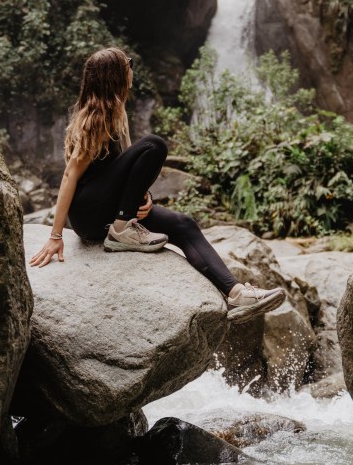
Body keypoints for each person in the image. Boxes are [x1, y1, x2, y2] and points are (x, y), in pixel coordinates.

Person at [29, 47, 286, 323]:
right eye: (128, 64)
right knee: (154, 145)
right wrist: (55, 235)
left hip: (111, 208)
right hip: (89, 211)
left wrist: (142, 197)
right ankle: (122, 229)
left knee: (183, 225)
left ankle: (235, 293)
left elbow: (130, 166)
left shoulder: (118, 112)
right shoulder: (95, 118)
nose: (132, 69)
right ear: (115, 75)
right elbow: (69, 176)